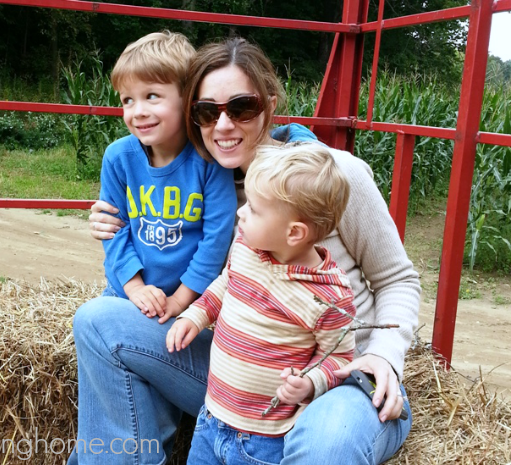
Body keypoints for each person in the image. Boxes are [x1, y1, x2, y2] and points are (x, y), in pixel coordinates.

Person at [76, 37, 420, 465]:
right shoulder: (202, 184)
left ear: (269, 105)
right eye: (206, 111)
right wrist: (115, 223)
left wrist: (383, 356)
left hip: (339, 374)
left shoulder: (329, 176)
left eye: (240, 108)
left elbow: (397, 278)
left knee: (324, 445)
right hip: (242, 373)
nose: (222, 126)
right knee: (96, 321)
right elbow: (162, 243)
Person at [66, 32, 235, 464]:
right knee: (116, 357)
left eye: (153, 96)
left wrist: (181, 300)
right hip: (130, 296)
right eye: (127, 100)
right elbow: (114, 229)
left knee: (129, 359)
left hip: (188, 309)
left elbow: (216, 240)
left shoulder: (206, 162)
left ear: (187, 99)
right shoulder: (119, 158)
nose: (137, 111)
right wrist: (135, 286)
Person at [166, 143, 356, 465]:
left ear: (294, 233)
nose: (241, 211)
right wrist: (196, 316)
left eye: (253, 209)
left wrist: (310, 383)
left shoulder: (328, 297)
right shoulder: (245, 248)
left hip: (263, 441)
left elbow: (339, 357)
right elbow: (226, 284)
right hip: (211, 417)